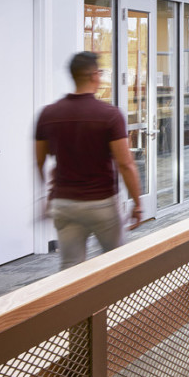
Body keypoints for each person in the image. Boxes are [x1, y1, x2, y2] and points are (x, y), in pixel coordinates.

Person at [35, 51, 143, 269]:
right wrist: (138, 204)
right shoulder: (109, 115)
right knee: (116, 266)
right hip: (101, 203)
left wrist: (47, 195)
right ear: (95, 75)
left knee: (70, 269)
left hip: (64, 203)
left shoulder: (48, 114)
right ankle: (110, 303)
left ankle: (78, 304)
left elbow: (39, 161)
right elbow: (126, 164)